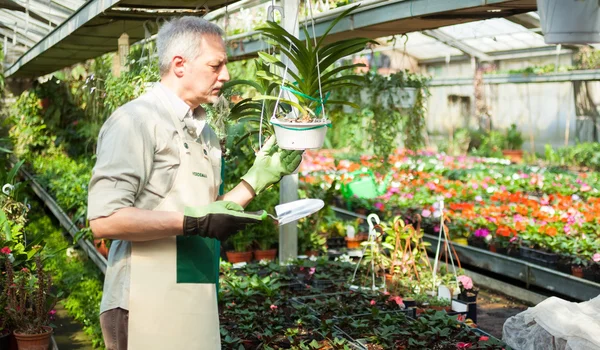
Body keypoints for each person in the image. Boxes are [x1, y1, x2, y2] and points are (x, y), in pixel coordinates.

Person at [87, 16, 302, 350]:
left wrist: (257, 178)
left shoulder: (206, 134)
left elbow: (210, 211)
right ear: (179, 64)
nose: (226, 76)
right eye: (216, 66)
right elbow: (104, 220)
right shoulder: (136, 121)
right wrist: (193, 221)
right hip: (143, 302)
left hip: (193, 290)